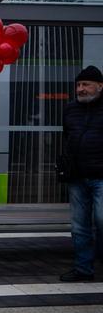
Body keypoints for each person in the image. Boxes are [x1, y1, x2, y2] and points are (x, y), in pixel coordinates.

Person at [59, 65, 103, 282]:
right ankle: (83, 268)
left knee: (101, 219)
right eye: (78, 85)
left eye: (86, 84)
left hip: (101, 176)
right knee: (79, 226)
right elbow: (67, 136)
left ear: (100, 86)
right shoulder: (70, 109)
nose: (81, 89)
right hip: (76, 176)